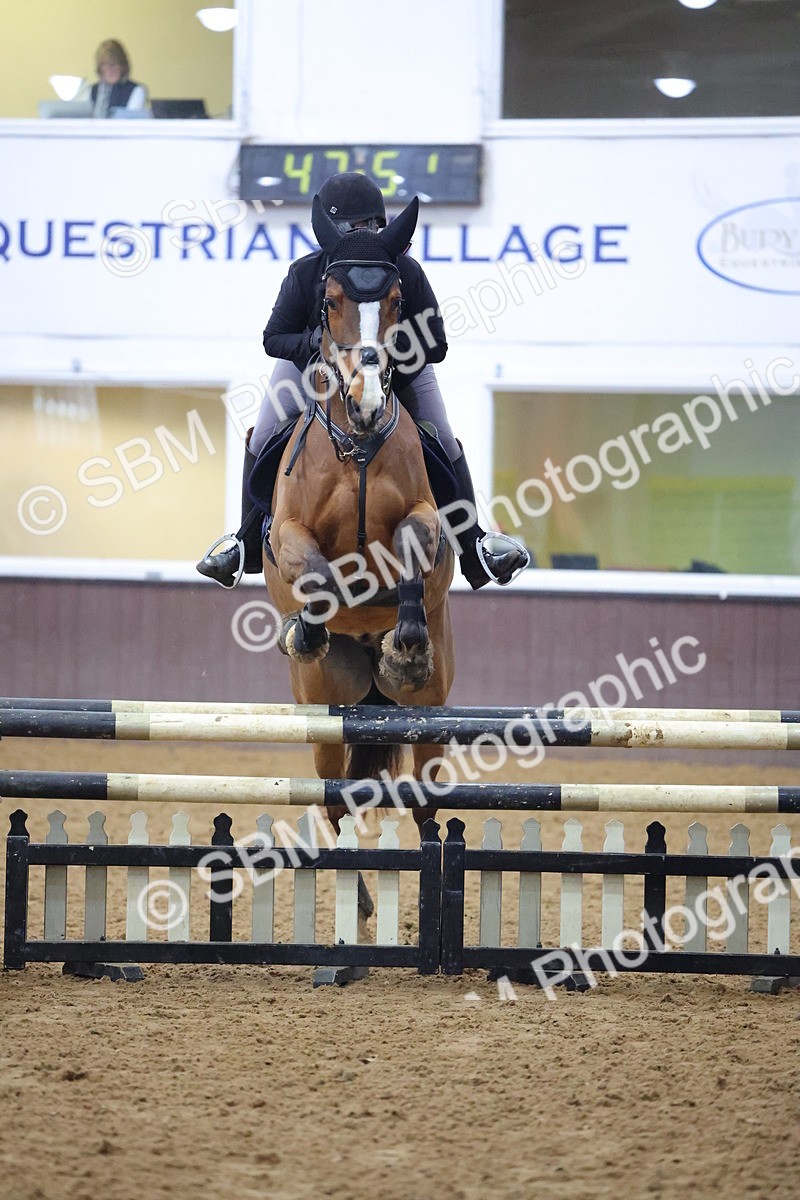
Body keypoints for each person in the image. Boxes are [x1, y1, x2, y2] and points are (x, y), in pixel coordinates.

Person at [196, 173, 529, 590]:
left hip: (398, 369)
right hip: (313, 368)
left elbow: (436, 344)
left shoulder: (405, 270)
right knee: (263, 437)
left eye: (371, 227)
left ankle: (474, 546)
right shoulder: (306, 273)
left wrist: (381, 354)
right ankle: (245, 543)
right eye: (356, 229)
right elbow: (273, 338)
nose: (365, 237)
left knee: (441, 437)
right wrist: (318, 343)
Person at [90, 40, 147, 117]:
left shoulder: (136, 90)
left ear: (123, 66)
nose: (110, 69)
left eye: (114, 64)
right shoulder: (91, 90)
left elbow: (129, 122)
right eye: (105, 64)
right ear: (99, 68)